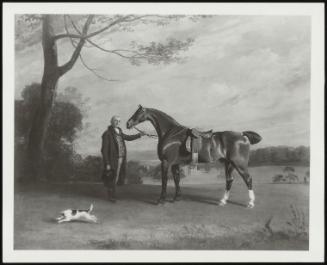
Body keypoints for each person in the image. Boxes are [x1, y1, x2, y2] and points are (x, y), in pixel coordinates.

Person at [101, 115, 144, 202]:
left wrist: (139, 135)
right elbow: (104, 150)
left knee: (117, 176)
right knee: (112, 177)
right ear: (111, 121)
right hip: (112, 159)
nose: (117, 122)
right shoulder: (107, 134)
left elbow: (128, 137)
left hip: (121, 158)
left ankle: (113, 194)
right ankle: (111, 196)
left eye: (119, 121)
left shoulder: (119, 131)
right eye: (116, 121)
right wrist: (107, 163)